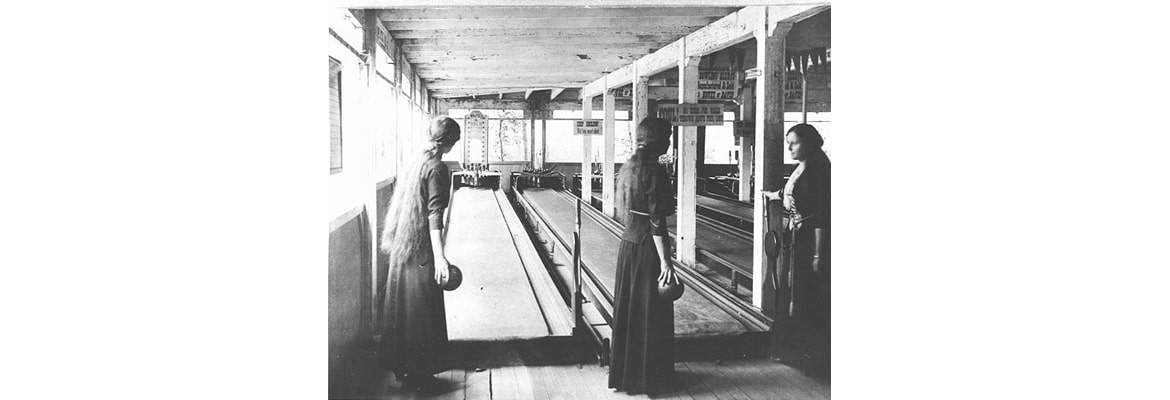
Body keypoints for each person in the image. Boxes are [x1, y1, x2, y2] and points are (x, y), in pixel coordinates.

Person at [377, 117, 461, 388]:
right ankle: (421, 373)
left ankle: (403, 367)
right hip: (422, 250)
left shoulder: (416, 161)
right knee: (422, 309)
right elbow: (435, 215)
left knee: (403, 309)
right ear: (450, 142)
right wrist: (440, 258)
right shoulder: (437, 168)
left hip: (404, 247)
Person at [609, 117, 678, 395]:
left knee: (631, 310)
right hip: (648, 247)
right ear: (657, 140)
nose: (670, 142)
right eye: (668, 136)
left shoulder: (629, 166)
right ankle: (650, 379)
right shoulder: (655, 170)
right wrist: (666, 261)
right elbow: (657, 220)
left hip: (629, 245)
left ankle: (627, 376)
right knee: (651, 311)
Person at [763, 123, 831, 374]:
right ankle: (792, 351)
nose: (789, 147)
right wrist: (772, 195)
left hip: (811, 241)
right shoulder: (803, 167)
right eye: (788, 142)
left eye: (794, 142)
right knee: (794, 291)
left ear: (809, 143)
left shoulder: (819, 170)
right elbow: (791, 192)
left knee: (806, 294)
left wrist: (818, 254)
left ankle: (811, 359)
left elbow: (821, 215)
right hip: (798, 238)